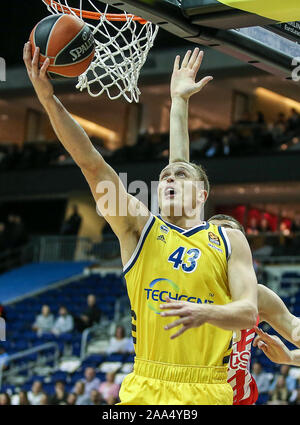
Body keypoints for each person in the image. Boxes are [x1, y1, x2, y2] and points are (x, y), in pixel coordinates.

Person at [24, 43, 258, 405]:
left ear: (201, 194)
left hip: (207, 389)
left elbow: (248, 312)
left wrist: (206, 312)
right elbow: (91, 162)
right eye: (163, 176)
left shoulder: (227, 239)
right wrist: (48, 100)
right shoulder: (139, 227)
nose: (167, 179)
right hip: (145, 383)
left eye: (179, 176)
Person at [162, 213, 300, 405]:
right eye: (214, 233)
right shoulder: (181, 294)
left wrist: (292, 357)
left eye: (229, 233)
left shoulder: (258, 296)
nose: (221, 238)